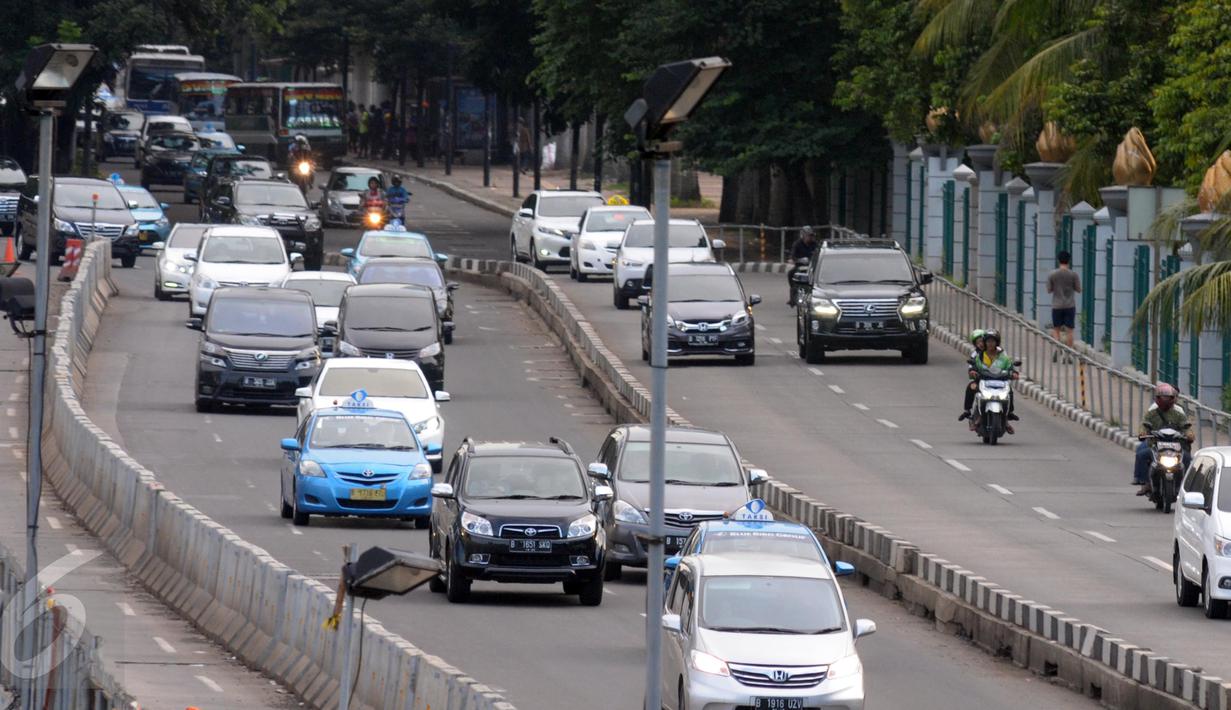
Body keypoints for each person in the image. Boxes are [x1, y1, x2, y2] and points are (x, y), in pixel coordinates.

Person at [1133, 383, 1193, 496]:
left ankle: (1185, 485)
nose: (1165, 400)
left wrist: (1189, 434)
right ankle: (1145, 482)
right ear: (1158, 398)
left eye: (1168, 398)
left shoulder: (1178, 413)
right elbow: (1144, 425)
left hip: (1175, 445)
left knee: (1188, 459)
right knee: (1141, 455)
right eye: (1163, 398)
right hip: (1156, 444)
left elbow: (1186, 426)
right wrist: (1143, 432)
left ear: (1173, 398)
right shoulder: (1152, 413)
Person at [967, 329, 1019, 433]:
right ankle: (975, 416)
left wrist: (1014, 373)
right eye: (988, 341)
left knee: (1010, 391)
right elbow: (974, 366)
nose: (990, 344)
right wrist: (972, 371)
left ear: (997, 342)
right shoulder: (979, 356)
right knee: (973, 388)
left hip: (1000, 381)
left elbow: (1010, 366)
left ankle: (1007, 416)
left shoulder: (1003, 356)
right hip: (984, 381)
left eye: (992, 341)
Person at [1047, 250, 1081, 357]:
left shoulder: (1052, 274)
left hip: (1056, 305)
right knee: (1069, 331)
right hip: (1070, 305)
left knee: (1056, 329)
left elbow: (1049, 290)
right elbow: (1079, 289)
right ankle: (1068, 354)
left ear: (1058, 260)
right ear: (1069, 261)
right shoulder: (1073, 275)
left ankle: (1058, 349)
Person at [958, 329, 987, 425]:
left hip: (995, 379)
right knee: (971, 386)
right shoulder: (975, 354)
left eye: (982, 341)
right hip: (981, 380)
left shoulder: (995, 352)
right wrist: (972, 372)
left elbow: (1005, 362)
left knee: (1008, 389)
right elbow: (971, 366)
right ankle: (967, 410)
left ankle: (1009, 413)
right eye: (978, 342)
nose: (981, 344)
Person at [786, 226, 818, 306]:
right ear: (803, 235)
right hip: (800, 267)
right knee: (790, 274)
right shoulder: (797, 244)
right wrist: (795, 259)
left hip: (812, 267)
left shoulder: (815, 244)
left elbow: (818, 254)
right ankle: (793, 296)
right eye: (808, 235)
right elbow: (792, 256)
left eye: (811, 236)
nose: (810, 237)